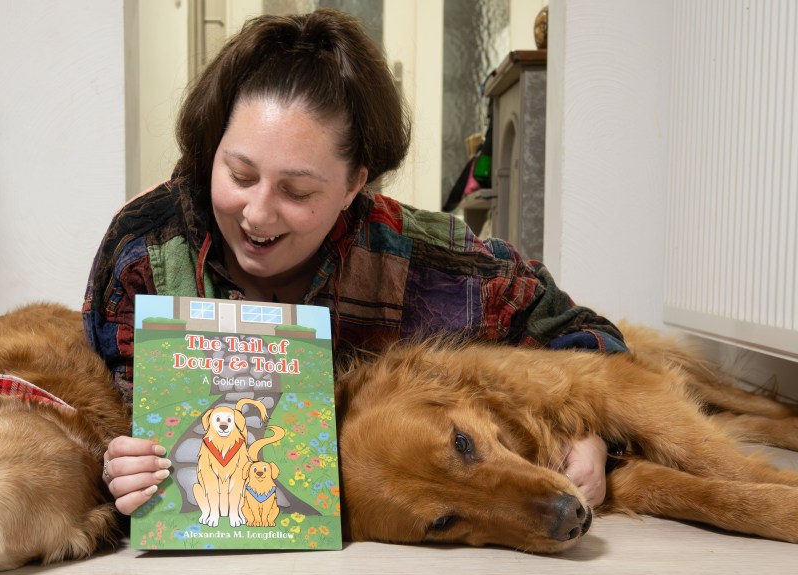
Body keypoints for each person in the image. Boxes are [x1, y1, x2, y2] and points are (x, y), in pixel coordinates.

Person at [83, 9, 623, 518]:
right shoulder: (145, 252)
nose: (258, 213)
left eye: (297, 191)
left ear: (353, 186)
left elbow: (583, 337)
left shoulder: (415, 257)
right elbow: (102, 410)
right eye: (240, 176)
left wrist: (590, 434)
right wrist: (111, 464)